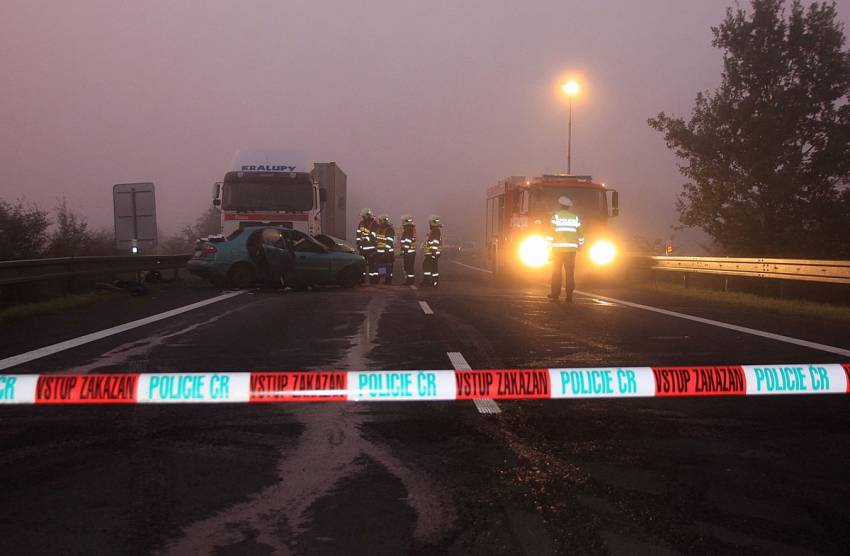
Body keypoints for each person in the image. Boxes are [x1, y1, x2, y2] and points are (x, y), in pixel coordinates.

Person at [548, 196, 584, 302]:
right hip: (571, 251)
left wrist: (548, 247)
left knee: (556, 273)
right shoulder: (575, 218)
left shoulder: (555, 217)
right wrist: (580, 245)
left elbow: (550, 234)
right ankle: (569, 296)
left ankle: (555, 294)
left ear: (560, 205)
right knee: (570, 274)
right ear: (569, 207)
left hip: (557, 251)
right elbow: (581, 234)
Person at [356, 208, 379, 283]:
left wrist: (367, 239)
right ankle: (361, 280)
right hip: (362, 249)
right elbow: (358, 234)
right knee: (362, 266)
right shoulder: (361, 223)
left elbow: (374, 234)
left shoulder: (374, 223)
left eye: (363, 216)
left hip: (371, 249)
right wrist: (358, 243)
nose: (363, 218)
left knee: (372, 266)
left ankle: (373, 281)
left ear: (368, 215)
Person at [421, 215, 442, 287]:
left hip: (432, 253)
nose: (429, 224)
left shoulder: (435, 231)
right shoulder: (435, 231)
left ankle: (431, 281)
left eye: (429, 223)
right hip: (432, 253)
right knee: (430, 267)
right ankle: (431, 281)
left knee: (429, 267)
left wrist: (433, 253)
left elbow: (435, 242)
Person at [376, 214, 396, 284]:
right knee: (381, 266)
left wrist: (385, 252)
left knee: (389, 267)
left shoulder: (389, 230)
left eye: (380, 221)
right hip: (380, 252)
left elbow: (389, 242)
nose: (379, 222)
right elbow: (377, 240)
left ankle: (388, 280)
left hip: (388, 253)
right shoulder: (379, 229)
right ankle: (383, 279)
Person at [399, 215, 417, 285]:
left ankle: (409, 281)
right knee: (409, 267)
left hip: (409, 253)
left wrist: (405, 251)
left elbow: (407, 242)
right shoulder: (411, 229)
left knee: (408, 267)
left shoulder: (408, 230)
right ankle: (410, 280)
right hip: (411, 252)